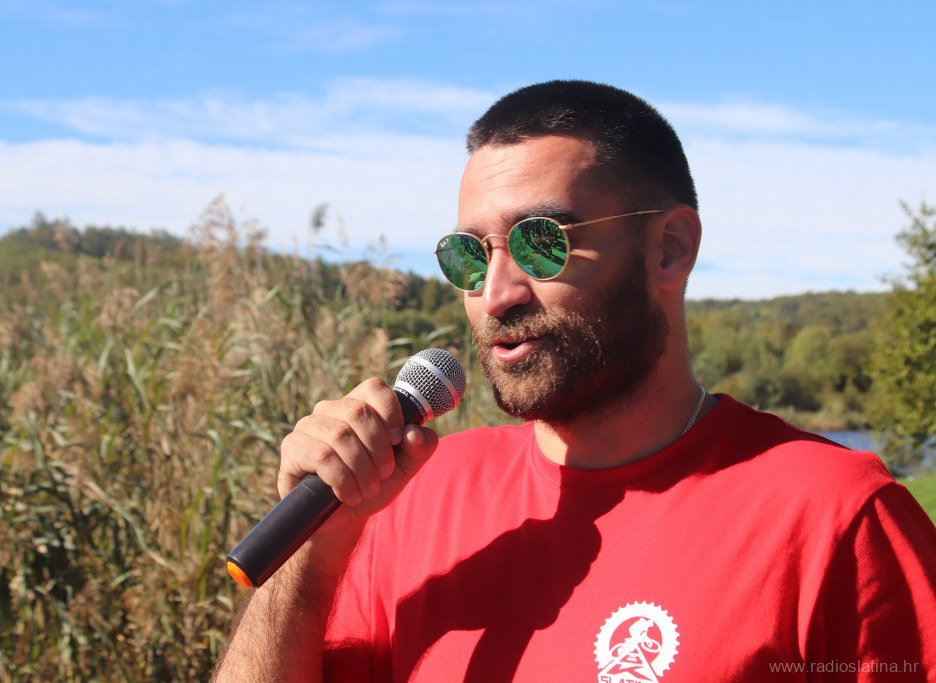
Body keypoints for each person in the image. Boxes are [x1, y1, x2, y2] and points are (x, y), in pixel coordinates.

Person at [212, 81, 936, 682]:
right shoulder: (405, 500)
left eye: (541, 243)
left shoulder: (837, 518)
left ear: (671, 248)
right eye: (469, 255)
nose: (495, 294)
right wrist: (318, 548)